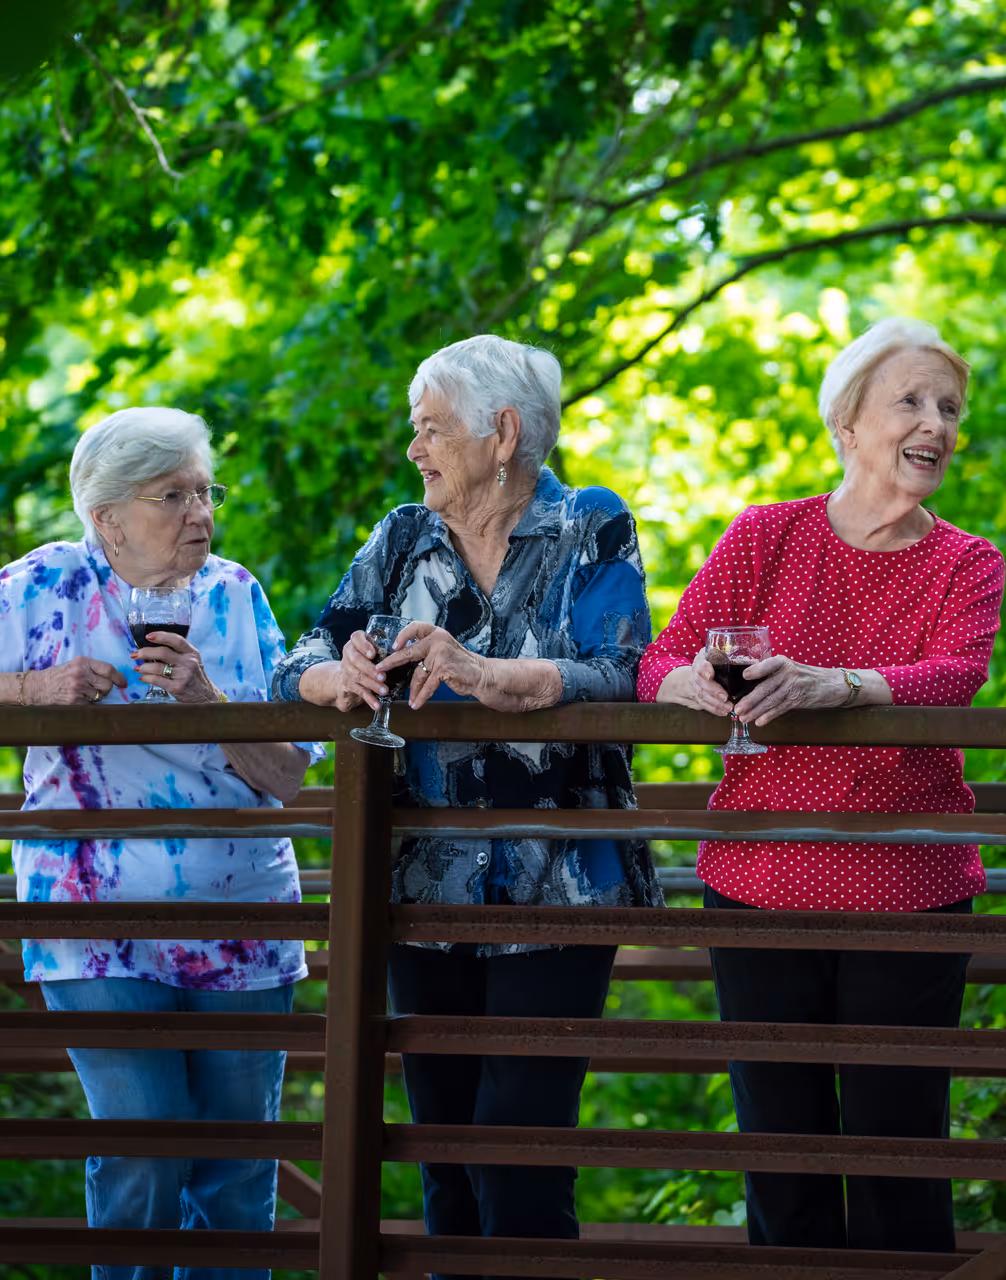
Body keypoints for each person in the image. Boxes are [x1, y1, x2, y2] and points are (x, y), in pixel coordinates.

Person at [0, 406, 319, 1280]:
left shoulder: (236, 595)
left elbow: (288, 777)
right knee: (142, 1153)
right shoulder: (45, 584)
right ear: (107, 517)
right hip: (96, 917)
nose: (201, 513)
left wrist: (205, 701)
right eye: (174, 495)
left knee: (237, 1175)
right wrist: (25, 686)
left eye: (206, 492)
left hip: (240, 920)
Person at [271, 335, 661, 1266]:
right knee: (443, 1155)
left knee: (521, 1154)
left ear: (503, 432)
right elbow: (296, 662)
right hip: (422, 889)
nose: (415, 450)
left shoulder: (592, 524)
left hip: (562, 885)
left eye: (431, 429)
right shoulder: (401, 536)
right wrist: (339, 674)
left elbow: (625, 672)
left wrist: (490, 675)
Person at [638, 316, 1004, 1253]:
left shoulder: (968, 560)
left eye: (950, 408)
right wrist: (681, 684)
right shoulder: (766, 534)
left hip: (909, 890)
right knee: (782, 1150)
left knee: (899, 1150)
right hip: (758, 885)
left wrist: (833, 685)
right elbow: (665, 657)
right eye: (912, 402)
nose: (937, 424)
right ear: (846, 422)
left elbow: (956, 675)